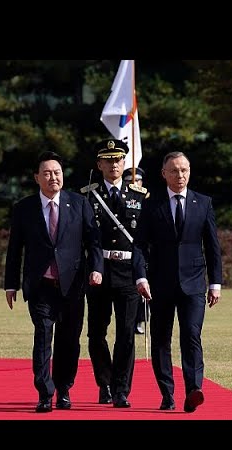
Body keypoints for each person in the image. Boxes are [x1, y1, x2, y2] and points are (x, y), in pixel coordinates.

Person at [4, 151, 103, 413]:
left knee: (69, 341)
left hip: (72, 286)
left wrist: (96, 269)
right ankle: (45, 393)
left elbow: (93, 241)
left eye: (57, 172)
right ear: (37, 178)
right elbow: (15, 250)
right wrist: (10, 284)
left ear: (63, 175)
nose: (52, 177)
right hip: (41, 286)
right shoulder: (24, 208)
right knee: (43, 336)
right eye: (46, 173)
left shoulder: (79, 203)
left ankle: (64, 389)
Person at [132, 151, 222, 413]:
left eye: (184, 170)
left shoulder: (203, 203)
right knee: (161, 338)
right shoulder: (152, 204)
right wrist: (140, 276)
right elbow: (139, 245)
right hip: (159, 284)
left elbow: (212, 246)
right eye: (174, 171)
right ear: (164, 174)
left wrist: (215, 283)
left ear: (190, 171)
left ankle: (193, 389)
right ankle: (167, 393)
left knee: (192, 335)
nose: (180, 175)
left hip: (194, 283)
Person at [83, 139, 148, 408]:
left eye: (118, 160)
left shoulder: (138, 195)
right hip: (99, 271)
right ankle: (104, 383)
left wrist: (143, 273)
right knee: (96, 332)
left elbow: (143, 240)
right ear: (99, 165)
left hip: (127, 271)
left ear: (125, 163)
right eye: (108, 160)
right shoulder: (88, 195)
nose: (114, 165)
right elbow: (86, 238)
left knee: (126, 333)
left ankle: (121, 389)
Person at [123, 166, 149, 336]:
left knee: (143, 291)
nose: (134, 183)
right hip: (125, 252)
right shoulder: (121, 200)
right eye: (129, 181)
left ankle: (141, 320)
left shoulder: (148, 200)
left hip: (143, 253)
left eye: (138, 180)